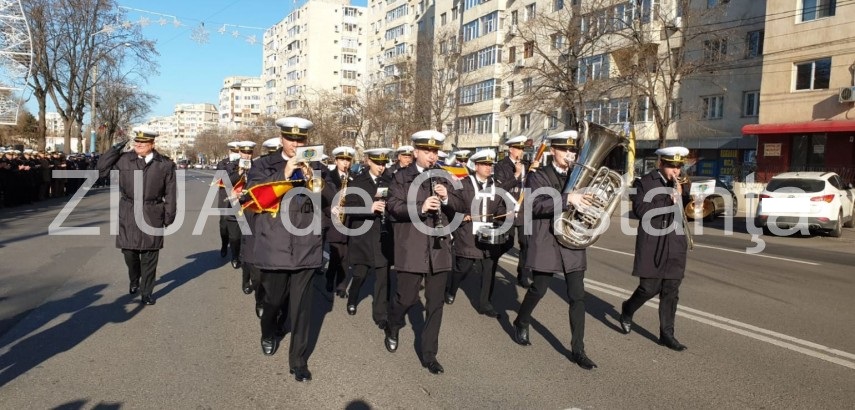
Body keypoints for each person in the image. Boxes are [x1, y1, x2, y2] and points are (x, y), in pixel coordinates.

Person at [244, 117, 333, 382]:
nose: (295, 144)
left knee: (303, 308)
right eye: (291, 139)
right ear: (282, 139)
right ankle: (269, 332)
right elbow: (254, 196)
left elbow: (327, 200)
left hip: (306, 245)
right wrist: (284, 174)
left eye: (300, 139)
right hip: (275, 244)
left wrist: (312, 177)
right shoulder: (263, 164)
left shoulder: (316, 165)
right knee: (272, 300)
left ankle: (299, 361)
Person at [511, 130, 598, 370]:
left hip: (572, 242)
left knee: (577, 296)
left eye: (573, 150)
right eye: (565, 150)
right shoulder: (538, 176)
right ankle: (521, 320)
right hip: (548, 240)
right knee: (539, 289)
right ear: (553, 152)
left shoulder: (579, 176)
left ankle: (578, 349)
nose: (570, 154)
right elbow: (536, 206)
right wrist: (569, 199)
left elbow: (588, 206)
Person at [384, 130, 464, 375]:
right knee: (406, 299)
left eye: (435, 151)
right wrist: (420, 207)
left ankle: (430, 354)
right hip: (412, 248)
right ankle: (393, 325)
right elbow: (392, 207)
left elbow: (462, 205)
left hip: (439, 249)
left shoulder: (445, 176)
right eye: (427, 151)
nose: (432, 156)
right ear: (415, 152)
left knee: (435, 304)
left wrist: (447, 197)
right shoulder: (400, 177)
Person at [618, 146, 691, 352]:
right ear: (661, 164)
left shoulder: (682, 183)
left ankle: (667, 334)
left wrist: (687, 197)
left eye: (678, 167)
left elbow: (688, 208)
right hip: (652, 242)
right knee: (648, 288)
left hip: (675, 242)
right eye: (671, 167)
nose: (675, 172)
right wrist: (667, 199)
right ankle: (627, 308)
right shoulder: (644, 183)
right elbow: (641, 210)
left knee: (671, 291)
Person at [96, 128, 177, 305]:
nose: (138, 145)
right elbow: (101, 170)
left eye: (143, 143)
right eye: (136, 142)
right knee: (129, 252)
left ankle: (147, 292)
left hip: (153, 211)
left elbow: (171, 192)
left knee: (150, 254)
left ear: (152, 144)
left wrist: (169, 215)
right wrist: (114, 150)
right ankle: (134, 278)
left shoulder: (165, 164)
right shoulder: (124, 159)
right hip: (129, 210)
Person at [445, 149, 507, 318]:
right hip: (468, 233)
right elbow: (452, 205)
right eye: (485, 165)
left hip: (489, 234)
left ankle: (484, 304)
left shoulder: (496, 186)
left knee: (489, 269)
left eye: (490, 165)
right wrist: (461, 216)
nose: (489, 168)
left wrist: (506, 213)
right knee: (463, 267)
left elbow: (500, 207)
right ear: (476, 165)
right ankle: (451, 289)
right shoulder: (463, 184)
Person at [343, 148, 394, 328]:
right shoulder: (357, 182)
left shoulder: (389, 180)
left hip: (381, 235)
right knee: (360, 274)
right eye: (378, 163)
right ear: (368, 162)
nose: (381, 167)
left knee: (382, 276)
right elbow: (347, 208)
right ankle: (353, 297)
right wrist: (369, 208)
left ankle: (380, 314)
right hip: (363, 237)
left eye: (383, 163)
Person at [494, 135, 533, 288]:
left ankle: (522, 275)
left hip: (525, 210)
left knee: (526, 244)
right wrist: (516, 174)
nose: (521, 152)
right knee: (507, 243)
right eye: (518, 148)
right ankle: (491, 261)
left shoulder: (528, 164)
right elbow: (501, 188)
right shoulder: (501, 165)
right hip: (508, 209)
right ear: (511, 149)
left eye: (523, 149)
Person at [326, 146, 356, 298]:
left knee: (346, 255)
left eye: (348, 160)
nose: (345, 163)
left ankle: (342, 286)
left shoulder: (354, 178)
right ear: (336, 161)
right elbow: (323, 198)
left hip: (349, 221)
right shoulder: (329, 177)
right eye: (342, 160)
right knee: (336, 255)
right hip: (334, 221)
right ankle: (330, 278)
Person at [226, 141, 254, 272]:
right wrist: (240, 172)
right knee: (234, 237)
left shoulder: (257, 166)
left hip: (249, 207)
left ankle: (245, 262)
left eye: (249, 153)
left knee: (247, 238)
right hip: (234, 206)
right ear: (240, 152)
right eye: (244, 152)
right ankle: (235, 256)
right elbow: (227, 182)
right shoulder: (232, 166)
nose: (247, 156)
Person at [217, 141, 241, 258]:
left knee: (238, 229)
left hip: (240, 200)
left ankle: (236, 254)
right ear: (230, 151)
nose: (237, 154)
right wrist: (236, 166)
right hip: (225, 200)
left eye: (238, 151)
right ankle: (224, 244)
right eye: (234, 151)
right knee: (224, 227)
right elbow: (226, 180)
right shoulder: (223, 163)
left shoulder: (246, 163)